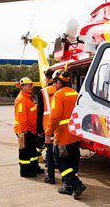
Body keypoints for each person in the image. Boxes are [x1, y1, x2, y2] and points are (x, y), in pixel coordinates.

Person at [45, 69, 86, 199]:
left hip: (63, 136)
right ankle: (69, 187)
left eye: (54, 83)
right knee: (73, 161)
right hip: (75, 134)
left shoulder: (58, 95)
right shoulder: (75, 93)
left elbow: (55, 117)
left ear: (58, 82)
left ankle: (76, 185)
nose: (53, 85)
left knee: (61, 162)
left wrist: (48, 133)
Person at [14, 77, 41, 177]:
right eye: (29, 85)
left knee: (32, 151)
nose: (31, 87)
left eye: (31, 85)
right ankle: (25, 171)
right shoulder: (21, 99)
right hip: (24, 130)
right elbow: (22, 117)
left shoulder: (28, 97)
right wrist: (24, 131)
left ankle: (34, 167)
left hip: (31, 130)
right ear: (23, 87)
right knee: (25, 151)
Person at [36, 69, 57, 184]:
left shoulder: (42, 92)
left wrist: (39, 129)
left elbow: (39, 113)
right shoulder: (61, 90)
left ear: (47, 78)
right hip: (60, 126)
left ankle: (51, 176)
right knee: (59, 151)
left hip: (47, 126)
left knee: (49, 152)